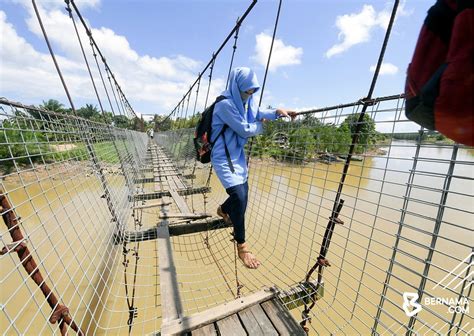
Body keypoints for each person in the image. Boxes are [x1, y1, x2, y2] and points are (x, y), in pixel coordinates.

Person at [211, 67, 296, 269]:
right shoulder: (224, 104)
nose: (249, 95)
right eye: (246, 91)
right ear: (236, 85)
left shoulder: (246, 100)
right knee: (239, 197)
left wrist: (277, 112)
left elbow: (256, 112)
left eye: (252, 92)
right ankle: (242, 246)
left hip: (237, 156)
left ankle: (223, 210)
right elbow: (245, 128)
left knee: (243, 196)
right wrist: (262, 125)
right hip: (223, 156)